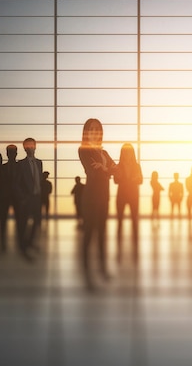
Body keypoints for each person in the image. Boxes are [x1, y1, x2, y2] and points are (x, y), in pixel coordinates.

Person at [79, 118, 116, 288]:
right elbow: (92, 173)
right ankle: (87, 275)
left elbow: (117, 170)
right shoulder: (84, 150)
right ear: (86, 132)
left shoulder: (105, 153)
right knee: (89, 235)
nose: (95, 132)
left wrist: (104, 167)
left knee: (102, 234)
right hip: (91, 198)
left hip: (104, 198)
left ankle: (102, 269)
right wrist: (105, 169)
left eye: (98, 129)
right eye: (91, 129)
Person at [114, 143, 143, 263]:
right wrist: (121, 177)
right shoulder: (118, 166)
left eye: (129, 151)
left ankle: (136, 246)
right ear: (122, 153)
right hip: (121, 195)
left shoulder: (137, 166)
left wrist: (135, 179)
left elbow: (141, 180)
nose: (127, 154)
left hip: (133, 195)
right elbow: (115, 180)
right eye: (125, 152)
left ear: (132, 153)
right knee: (120, 220)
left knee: (134, 220)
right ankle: (118, 246)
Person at [15, 138, 43, 259]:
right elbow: (16, 183)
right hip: (27, 198)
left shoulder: (39, 162)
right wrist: (23, 197)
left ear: (35, 147)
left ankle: (30, 242)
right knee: (24, 222)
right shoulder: (20, 164)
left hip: (37, 197)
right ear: (25, 149)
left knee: (36, 222)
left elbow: (39, 179)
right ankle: (22, 247)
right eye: (28, 146)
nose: (31, 148)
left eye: (32, 146)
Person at [1, 144, 19, 248]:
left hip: (17, 196)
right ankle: (3, 241)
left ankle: (19, 241)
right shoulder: (2, 168)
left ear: (16, 153)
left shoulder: (20, 167)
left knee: (19, 219)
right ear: (7, 154)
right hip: (6, 196)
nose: (11, 154)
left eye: (13, 152)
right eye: (9, 152)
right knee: (3, 219)